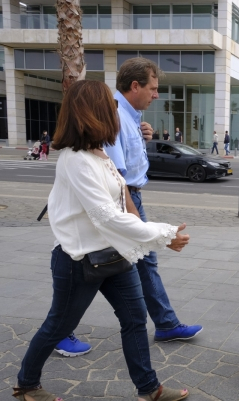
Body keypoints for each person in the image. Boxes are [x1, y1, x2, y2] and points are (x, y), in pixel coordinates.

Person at [12, 80, 189, 401]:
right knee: (58, 326)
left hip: (113, 255)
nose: (116, 111)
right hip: (78, 261)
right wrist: (163, 234)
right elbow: (106, 215)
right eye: (110, 106)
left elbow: (123, 201)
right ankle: (27, 384)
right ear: (93, 113)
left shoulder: (100, 153)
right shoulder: (75, 160)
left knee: (135, 320)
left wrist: (154, 234)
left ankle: (150, 390)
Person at [104, 57, 202, 343]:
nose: (157, 95)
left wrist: (142, 134)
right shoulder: (115, 113)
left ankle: (166, 323)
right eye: (153, 88)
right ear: (135, 86)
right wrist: (140, 222)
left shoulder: (128, 114)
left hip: (129, 195)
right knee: (90, 265)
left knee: (140, 262)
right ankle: (60, 332)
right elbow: (117, 176)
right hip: (122, 197)